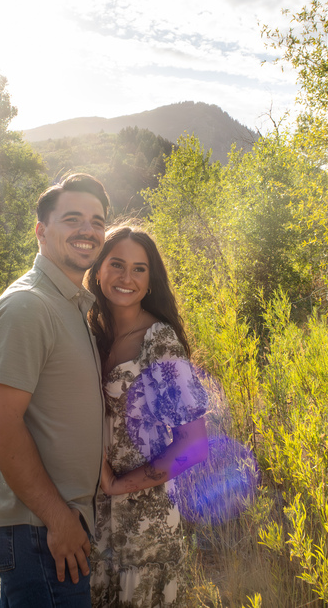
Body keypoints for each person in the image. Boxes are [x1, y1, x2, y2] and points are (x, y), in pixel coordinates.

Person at [0, 173, 110, 607]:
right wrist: (58, 519)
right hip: (39, 525)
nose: (87, 230)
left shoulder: (69, 304)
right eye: (72, 219)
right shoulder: (27, 306)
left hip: (50, 520)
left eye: (96, 221)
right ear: (41, 230)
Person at [86, 225, 209, 607]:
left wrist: (117, 486)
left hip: (146, 521)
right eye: (117, 264)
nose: (127, 277)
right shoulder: (90, 332)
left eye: (139, 269)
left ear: (151, 280)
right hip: (92, 515)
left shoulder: (159, 342)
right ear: (98, 269)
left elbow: (195, 444)